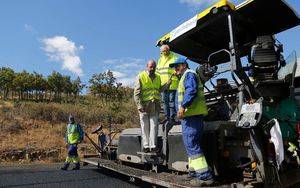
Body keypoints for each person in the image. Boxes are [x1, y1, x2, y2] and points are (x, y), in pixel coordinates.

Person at [170, 57, 214, 186]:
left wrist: (183, 106)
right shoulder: (184, 77)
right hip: (190, 117)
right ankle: (194, 172)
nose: (175, 69)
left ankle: (205, 177)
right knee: (190, 144)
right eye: (174, 67)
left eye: (177, 66)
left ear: (184, 65)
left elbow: (191, 91)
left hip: (192, 116)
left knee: (191, 143)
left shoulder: (189, 74)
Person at [134, 60, 173, 153]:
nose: (152, 68)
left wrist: (168, 84)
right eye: (151, 67)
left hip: (155, 105)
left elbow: (159, 89)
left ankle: (153, 146)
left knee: (154, 125)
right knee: (145, 126)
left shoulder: (158, 77)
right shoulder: (141, 76)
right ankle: (146, 146)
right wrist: (139, 105)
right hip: (144, 105)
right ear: (147, 67)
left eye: (154, 67)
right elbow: (136, 93)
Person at [157, 45, 179, 122]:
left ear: (168, 50)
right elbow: (158, 72)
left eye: (166, 51)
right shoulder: (160, 60)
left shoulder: (174, 57)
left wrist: (175, 73)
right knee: (165, 102)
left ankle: (173, 117)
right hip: (163, 85)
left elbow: (178, 68)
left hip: (173, 83)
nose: (164, 52)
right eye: (163, 51)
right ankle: (167, 117)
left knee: (171, 102)